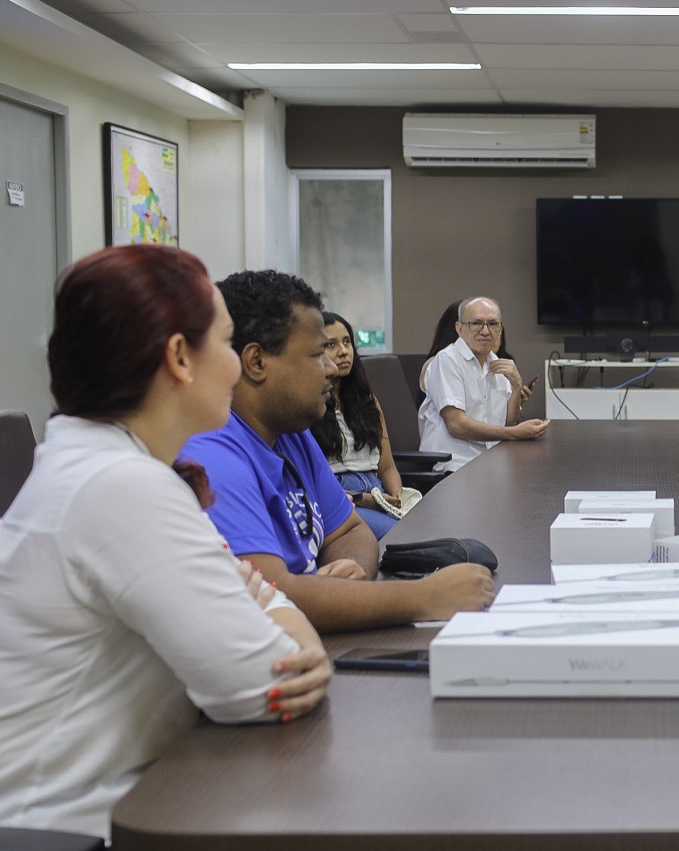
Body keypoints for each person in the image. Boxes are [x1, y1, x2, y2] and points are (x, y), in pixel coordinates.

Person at [0, 245, 331, 851]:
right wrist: (290, 623)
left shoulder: (109, 464)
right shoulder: (121, 487)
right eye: (223, 340)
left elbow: (253, 606)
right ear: (180, 357)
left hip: (62, 832)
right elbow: (264, 689)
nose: (237, 362)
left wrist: (262, 604)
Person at [181, 270, 495, 631]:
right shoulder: (211, 456)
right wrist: (425, 597)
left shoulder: (291, 434)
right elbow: (270, 596)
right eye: (318, 354)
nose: (331, 368)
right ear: (257, 363)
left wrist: (352, 574)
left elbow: (348, 531)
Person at [417, 296, 547, 470]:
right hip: (453, 466)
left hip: (489, 462)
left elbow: (507, 423)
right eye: (476, 323)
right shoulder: (447, 360)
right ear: (459, 328)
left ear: (500, 330)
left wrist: (516, 386)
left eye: (492, 324)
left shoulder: (497, 363)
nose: (485, 331)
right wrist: (515, 433)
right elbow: (456, 424)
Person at [309, 311, 403, 539]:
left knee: (422, 528)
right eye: (331, 344)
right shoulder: (309, 406)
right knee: (399, 536)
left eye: (347, 342)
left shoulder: (367, 401)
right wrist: (368, 499)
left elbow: (387, 467)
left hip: (378, 489)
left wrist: (397, 496)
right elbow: (313, 483)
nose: (343, 351)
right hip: (342, 496)